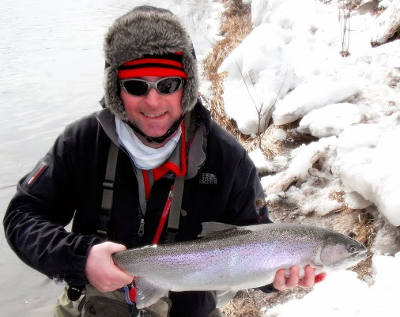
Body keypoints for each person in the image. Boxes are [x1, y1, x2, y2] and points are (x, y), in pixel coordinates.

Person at [3, 5, 322, 317]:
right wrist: (81, 258)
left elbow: (257, 239)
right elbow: (21, 216)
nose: (153, 101)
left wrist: (276, 278)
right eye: (136, 85)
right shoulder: (83, 142)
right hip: (93, 302)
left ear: (186, 86)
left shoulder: (228, 160)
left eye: (167, 84)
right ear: (117, 88)